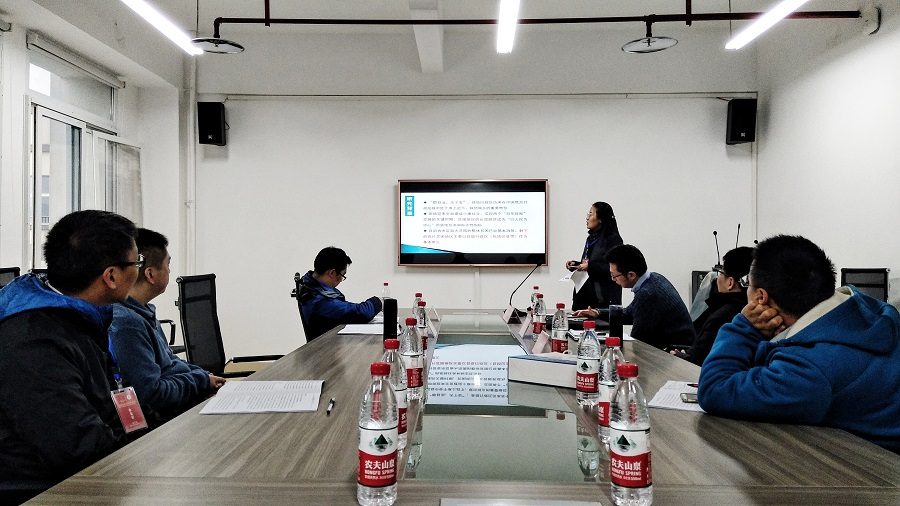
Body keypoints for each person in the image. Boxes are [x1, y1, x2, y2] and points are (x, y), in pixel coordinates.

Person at [698, 235, 900, 453]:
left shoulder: (809, 369)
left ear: (760, 298)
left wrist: (744, 327)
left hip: (873, 468)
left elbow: (714, 389)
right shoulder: (869, 309)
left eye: (747, 283)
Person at [0, 210, 141, 501]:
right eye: (136, 262)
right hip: (45, 491)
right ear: (111, 276)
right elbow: (78, 448)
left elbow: (108, 408)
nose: (139, 269)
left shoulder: (80, 318)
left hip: (91, 475)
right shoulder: (34, 342)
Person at [108, 228, 226, 424]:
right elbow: (151, 394)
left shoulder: (143, 312)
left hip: (179, 407)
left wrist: (203, 376)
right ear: (150, 274)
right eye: (168, 264)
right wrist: (200, 381)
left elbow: (169, 362)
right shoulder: (127, 324)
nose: (170, 270)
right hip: (164, 424)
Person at [574, 244, 695, 350]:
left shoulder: (647, 294)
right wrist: (597, 312)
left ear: (631, 275)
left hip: (678, 353)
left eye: (614, 276)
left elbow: (638, 341)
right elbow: (629, 313)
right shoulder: (653, 278)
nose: (613, 280)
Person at [671, 246, 754, 365]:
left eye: (721, 273)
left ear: (730, 282)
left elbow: (698, 362)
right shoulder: (756, 312)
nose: (717, 278)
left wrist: (680, 357)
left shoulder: (721, 317)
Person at [297, 247, 383, 340]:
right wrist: (379, 302)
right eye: (342, 275)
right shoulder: (318, 300)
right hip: (325, 347)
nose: (341, 280)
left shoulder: (310, 284)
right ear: (332, 273)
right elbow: (362, 313)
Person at [566, 201, 624, 311]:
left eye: (591, 214)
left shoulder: (613, 239)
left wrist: (590, 267)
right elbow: (590, 263)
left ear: (601, 219)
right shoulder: (591, 238)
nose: (587, 218)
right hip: (585, 296)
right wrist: (576, 265)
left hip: (602, 300)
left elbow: (615, 269)